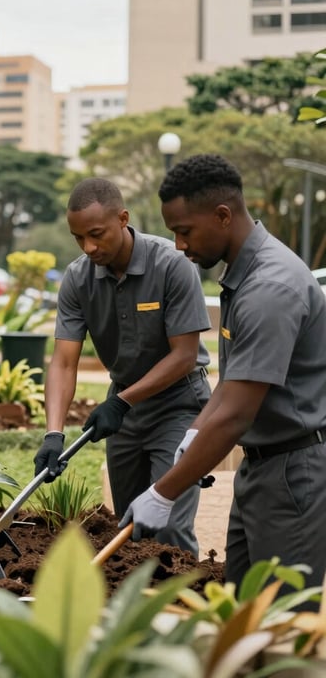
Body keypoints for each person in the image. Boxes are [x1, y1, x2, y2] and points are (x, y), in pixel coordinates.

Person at [121, 154, 326, 598]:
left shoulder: (270, 288)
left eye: (185, 231)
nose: (179, 245)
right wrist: (194, 434)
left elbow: (235, 414)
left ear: (223, 215)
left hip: (293, 472)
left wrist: (162, 493)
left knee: (280, 615)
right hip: (260, 468)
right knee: (241, 606)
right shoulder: (244, 277)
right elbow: (231, 384)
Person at [33, 177, 211, 555]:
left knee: (168, 524)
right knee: (128, 528)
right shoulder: (77, 279)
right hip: (125, 412)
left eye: (96, 234)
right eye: (78, 238)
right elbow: (63, 363)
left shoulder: (172, 265)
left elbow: (184, 356)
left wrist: (120, 402)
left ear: (123, 219)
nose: (89, 247)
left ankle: (185, 593)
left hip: (179, 405)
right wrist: (53, 434)